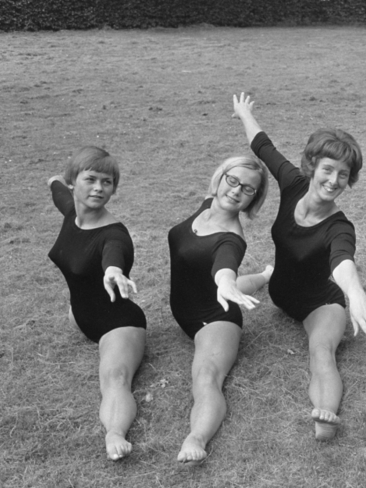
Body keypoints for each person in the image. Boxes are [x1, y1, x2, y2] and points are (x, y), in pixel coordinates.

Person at [232, 92, 366, 440]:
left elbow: (342, 262)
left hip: (321, 304)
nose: (334, 181)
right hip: (280, 295)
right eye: (328, 170)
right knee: (234, 284)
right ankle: (264, 276)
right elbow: (263, 147)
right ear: (312, 167)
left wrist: (357, 294)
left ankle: (326, 417)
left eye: (344, 175)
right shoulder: (292, 183)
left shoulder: (339, 227)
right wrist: (244, 113)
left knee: (321, 351)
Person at [168, 155, 273, 463]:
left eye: (249, 190)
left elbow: (225, 266)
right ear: (220, 177)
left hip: (214, 319)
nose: (237, 191)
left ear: (253, 199)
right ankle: (266, 275)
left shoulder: (232, 241)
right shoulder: (206, 205)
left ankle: (196, 437)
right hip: (191, 304)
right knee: (234, 286)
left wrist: (226, 282)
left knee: (206, 376)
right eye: (233, 180)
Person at [47, 146, 147, 461]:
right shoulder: (71, 211)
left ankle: (115, 433)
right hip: (80, 316)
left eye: (107, 182)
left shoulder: (114, 235)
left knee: (115, 378)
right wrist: (53, 181)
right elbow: (58, 192)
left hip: (118, 324)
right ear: (73, 182)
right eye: (90, 179)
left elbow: (113, 257)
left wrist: (114, 272)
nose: (98, 188)